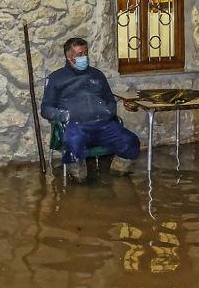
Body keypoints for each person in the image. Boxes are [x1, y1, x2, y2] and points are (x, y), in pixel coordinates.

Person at [40, 37, 140, 182]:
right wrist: (64, 115)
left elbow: (109, 99)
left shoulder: (97, 75)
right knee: (74, 143)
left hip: (103, 124)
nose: (84, 57)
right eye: (79, 54)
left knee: (130, 140)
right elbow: (46, 108)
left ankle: (118, 176)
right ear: (69, 57)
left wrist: (109, 111)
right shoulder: (56, 78)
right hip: (76, 126)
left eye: (85, 53)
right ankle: (79, 182)